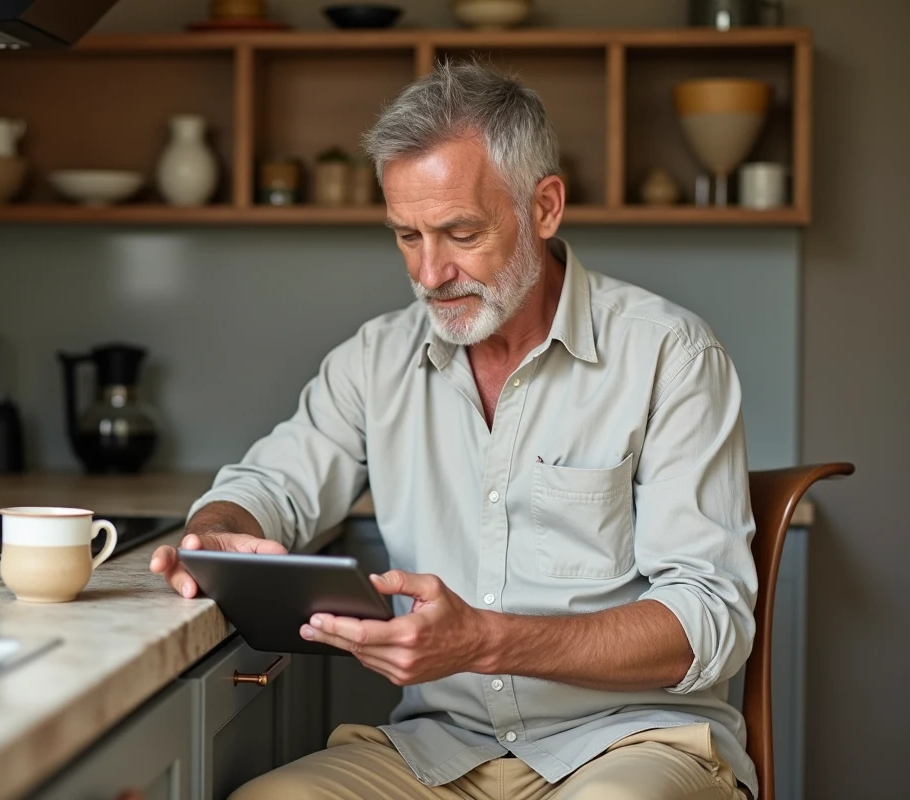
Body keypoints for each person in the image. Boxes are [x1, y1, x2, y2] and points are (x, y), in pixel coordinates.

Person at [149, 61, 758, 800]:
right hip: (439, 753)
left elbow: (709, 619)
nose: (431, 272)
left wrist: (487, 641)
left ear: (545, 207)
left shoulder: (670, 355)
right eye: (407, 236)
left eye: (461, 233)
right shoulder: (374, 360)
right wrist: (216, 530)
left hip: (631, 743)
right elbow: (270, 486)